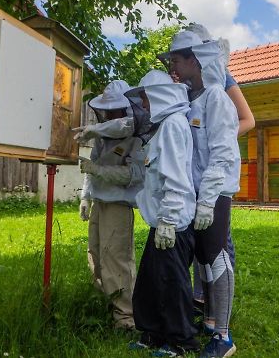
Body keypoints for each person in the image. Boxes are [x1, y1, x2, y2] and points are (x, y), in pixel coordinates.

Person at [166, 30, 240, 358]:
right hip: (197, 190)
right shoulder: (188, 100)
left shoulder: (216, 98)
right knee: (202, 260)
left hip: (217, 189)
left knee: (215, 255)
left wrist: (208, 199)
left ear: (196, 61)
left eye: (178, 60)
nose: (173, 66)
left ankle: (223, 338)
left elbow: (222, 153)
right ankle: (209, 323)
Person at [127, 70, 199, 357]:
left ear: (158, 96)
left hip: (174, 223)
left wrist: (168, 219)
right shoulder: (165, 126)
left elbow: (177, 178)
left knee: (172, 282)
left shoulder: (172, 126)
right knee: (151, 281)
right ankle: (154, 334)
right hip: (162, 220)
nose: (143, 106)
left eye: (145, 99)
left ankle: (181, 342)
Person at [78, 80, 145, 330]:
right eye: (107, 110)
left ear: (127, 109)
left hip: (119, 205)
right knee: (95, 254)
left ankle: (125, 317)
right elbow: (90, 168)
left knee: (117, 259)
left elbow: (133, 175)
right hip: (99, 202)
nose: (109, 114)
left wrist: (98, 169)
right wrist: (85, 196)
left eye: (114, 109)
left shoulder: (135, 136)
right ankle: (106, 303)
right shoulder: (102, 137)